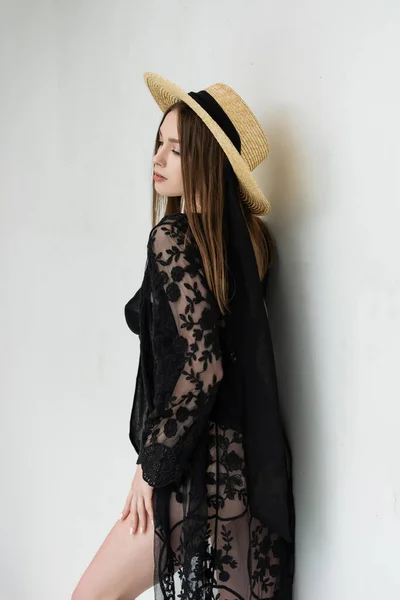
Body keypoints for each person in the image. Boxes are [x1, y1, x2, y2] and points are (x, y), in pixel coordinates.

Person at [72, 72, 295, 600]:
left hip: (188, 469)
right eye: (159, 144)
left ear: (209, 162)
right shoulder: (249, 246)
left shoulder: (172, 236)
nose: (158, 159)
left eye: (177, 149)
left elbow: (203, 365)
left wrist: (152, 471)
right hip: (241, 477)